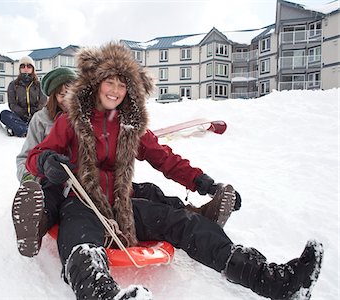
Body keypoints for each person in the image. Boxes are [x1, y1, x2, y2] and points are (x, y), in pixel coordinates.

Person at [23, 42, 323, 300]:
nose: (115, 90)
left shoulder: (131, 126)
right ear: (97, 83)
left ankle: (273, 281)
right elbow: (34, 155)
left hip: (123, 206)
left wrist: (203, 182)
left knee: (185, 222)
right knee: (81, 241)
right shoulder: (72, 120)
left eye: (122, 84)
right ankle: (103, 294)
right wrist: (47, 161)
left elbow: (164, 158)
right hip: (83, 201)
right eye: (109, 82)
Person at [12, 67, 241, 259]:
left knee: (148, 191)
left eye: (71, 91)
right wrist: (39, 171)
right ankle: (35, 225)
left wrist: (202, 182)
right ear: (52, 97)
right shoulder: (44, 121)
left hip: (101, 188)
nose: (67, 98)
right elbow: (27, 158)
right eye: (61, 94)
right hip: (58, 182)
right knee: (50, 193)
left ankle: (200, 214)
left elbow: (163, 156)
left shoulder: (110, 120)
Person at [0, 56, 47, 137]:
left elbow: (43, 101)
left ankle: (22, 129)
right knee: (4, 114)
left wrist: (34, 112)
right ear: (19, 69)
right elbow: (12, 104)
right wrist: (23, 113)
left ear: (33, 69)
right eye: (22, 66)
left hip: (36, 116)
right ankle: (27, 130)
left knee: (47, 117)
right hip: (19, 117)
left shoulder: (39, 85)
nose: (25, 68)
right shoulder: (13, 85)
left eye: (29, 66)